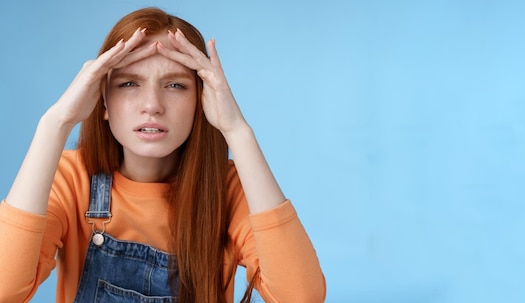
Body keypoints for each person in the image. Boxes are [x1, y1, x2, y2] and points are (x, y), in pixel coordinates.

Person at [0, 7, 325, 303]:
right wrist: (54, 123)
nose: (152, 105)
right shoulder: (72, 180)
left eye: (175, 85)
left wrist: (237, 130)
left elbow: (301, 298)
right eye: (129, 83)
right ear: (102, 101)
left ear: (202, 101)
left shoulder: (228, 190)